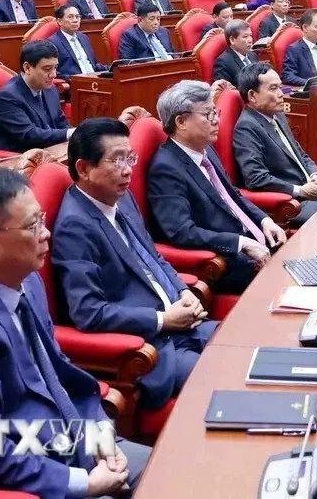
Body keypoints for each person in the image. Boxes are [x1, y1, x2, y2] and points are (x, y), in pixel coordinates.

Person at [0, 168, 149, 497]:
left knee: (181, 475)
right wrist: (84, 483)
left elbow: (59, 372)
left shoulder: (26, 283)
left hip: (69, 442)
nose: (46, 233)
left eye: (42, 218)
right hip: (23, 481)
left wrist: (100, 438)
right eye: (33, 225)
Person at [53, 118, 217, 411]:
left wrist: (183, 291)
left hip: (183, 326)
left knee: (246, 348)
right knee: (224, 378)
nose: (128, 170)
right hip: (150, 349)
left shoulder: (122, 196)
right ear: (83, 168)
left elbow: (151, 255)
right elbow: (88, 313)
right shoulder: (74, 227)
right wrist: (162, 320)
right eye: (116, 160)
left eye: (130, 157)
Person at [147, 81, 286, 294]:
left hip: (257, 241)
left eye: (215, 112)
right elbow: (182, 232)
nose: (217, 120)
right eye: (208, 114)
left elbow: (232, 195)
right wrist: (240, 243)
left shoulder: (205, 149)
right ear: (181, 121)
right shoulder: (165, 169)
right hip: (228, 260)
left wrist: (264, 220)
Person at [233, 64, 317, 226]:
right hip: (291, 203)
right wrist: (300, 190)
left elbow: (301, 155)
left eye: (280, 87)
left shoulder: (278, 116)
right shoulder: (246, 127)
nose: (281, 94)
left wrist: (314, 176)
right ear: (252, 95)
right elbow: (256, 178)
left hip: (311, 192)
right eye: (273, 89)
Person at [0, 41, 74, 151]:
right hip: (18, 159)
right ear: (27, 68)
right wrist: (69, 133)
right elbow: (29, 135)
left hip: (50, 151)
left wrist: (78, 135)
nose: (53, 74)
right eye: (47, 69)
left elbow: (61, 124)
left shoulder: (51, 89)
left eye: (55, 67)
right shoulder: (8, 97)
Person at [281, 10, 317, 85]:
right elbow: (288, 76)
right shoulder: (294, 49)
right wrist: (311, 83)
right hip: (316, 91)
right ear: (305, 28)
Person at [53, 4, 107, 79]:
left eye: (77, 16)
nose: (75, 20)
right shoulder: (53, 43)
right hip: (76, 84)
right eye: (70, 17)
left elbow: (93, 64)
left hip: (95, 80)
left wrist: (111, 68)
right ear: (59, 21)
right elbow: (54, 72)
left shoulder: (84, 38)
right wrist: (74, 79)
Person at [212, 20, 259, 86]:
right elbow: (225, 91)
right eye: (245, 36)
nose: (250, 40)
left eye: (250, 35)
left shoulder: (253, 55)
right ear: (232, 40)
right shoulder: (223, 62)